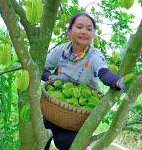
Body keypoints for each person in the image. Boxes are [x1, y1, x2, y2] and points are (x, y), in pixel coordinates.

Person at [41, 12, 127, 150]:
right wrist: (50, 77)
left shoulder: (94, 55)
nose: (84, 32)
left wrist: (117, 82)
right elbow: (41, 68)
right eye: (79, 27)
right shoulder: (61, 50)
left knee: (68, 143)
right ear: (69, 31)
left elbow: (103, 72)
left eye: (89, 29)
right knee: (39, 138)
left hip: (78, 115)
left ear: (93, 34)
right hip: (54, 108)